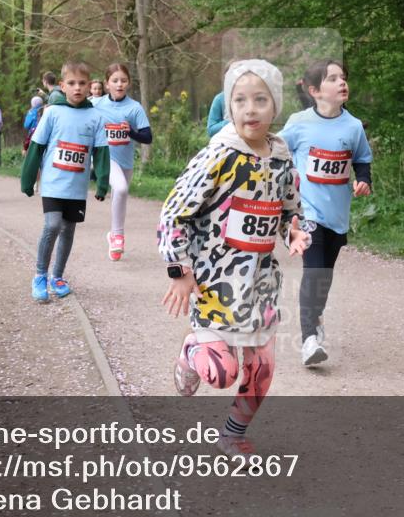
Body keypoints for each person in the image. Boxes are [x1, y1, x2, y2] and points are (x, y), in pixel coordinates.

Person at [159, 59, 309, 456]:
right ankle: (191, 353)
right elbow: (173, 212)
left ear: (275, 106)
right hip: (213, 281)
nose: (250, 109)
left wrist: (295, 230)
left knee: (262, 368)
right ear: (229, 107)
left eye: (260, 99)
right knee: (222, 372)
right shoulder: (219, 156)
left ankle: (233, 435)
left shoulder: (281, 156)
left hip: (260, 282)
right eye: (240, 100)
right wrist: (179, 271)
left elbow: (292, 208)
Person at [278, 60, 373, 367]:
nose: (342, 82)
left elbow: (361, 160)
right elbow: (277, 150)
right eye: (333, 79)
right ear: (315, 91)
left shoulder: (353, 126)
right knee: (314, 270)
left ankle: (315, 317)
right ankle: (308, 339)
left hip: (337, 215)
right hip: (308, 213)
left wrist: (363, 181)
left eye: (343, 77)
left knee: (325, 274)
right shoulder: (299, 123)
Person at [21, 61, 110, 302]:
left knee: (68, 229)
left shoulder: (95, 117)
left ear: (90, 85)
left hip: (76, 187)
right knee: (52, 226)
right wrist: (28, 179)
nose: (77, 88)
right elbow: (36, 147)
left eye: (82, 83)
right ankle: (40, 275)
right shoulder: (52, 113)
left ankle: (57, 276)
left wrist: (102, 183)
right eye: (71, 83)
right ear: (62, 86)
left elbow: (101, 152)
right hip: (53, 183)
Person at [94, 63, 152, 261]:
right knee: (120, 189)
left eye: (123, 80)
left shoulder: (134, 108)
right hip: (105, 157)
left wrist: (131, 132)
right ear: (107, 83)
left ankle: (112, 235)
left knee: (121, 194)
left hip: (125, 162)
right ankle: (118, 235)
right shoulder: (96, 104)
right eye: (115, 80)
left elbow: (147, 137)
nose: (119, 84)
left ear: (128, 83)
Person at [205, 60, 238, 137]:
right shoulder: (220, 99)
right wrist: (231, 121)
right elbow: (211, 130)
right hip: (227, 142)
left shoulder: (251, 99)